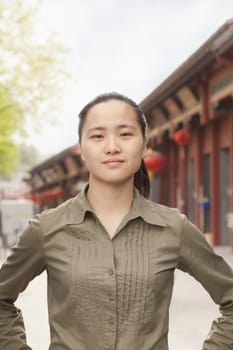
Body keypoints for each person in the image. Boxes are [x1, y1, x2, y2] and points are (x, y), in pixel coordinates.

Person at [0, 92, 233, 350]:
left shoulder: (173, 228)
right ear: (82, 149)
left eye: (125, 134)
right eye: (98, 136)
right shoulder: (46, 229)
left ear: (144, 145)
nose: (112, 146)